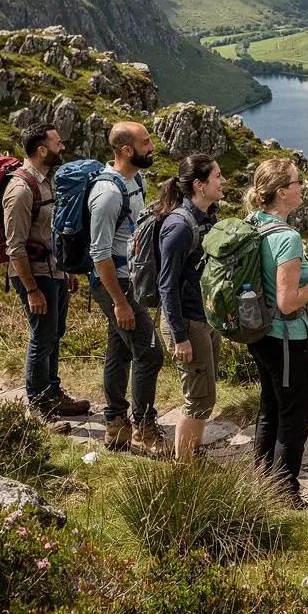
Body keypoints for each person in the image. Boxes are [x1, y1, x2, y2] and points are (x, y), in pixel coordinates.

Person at [247, 157, 308, 507]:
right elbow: (287, 301)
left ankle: (263, 483)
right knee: (295, 416)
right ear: (282, 193)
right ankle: (286, 496)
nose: (302, 187)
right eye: (297, 183)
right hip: (287, 338)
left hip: (260, 334)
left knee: (270, 407)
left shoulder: (254, 222)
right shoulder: (287, 238)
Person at [89, 121, 168, 456]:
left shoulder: (136, 180)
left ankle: (116, 425)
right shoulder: (107, 195)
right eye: (145, 142)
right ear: (125, 150)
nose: (152, 146)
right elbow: (99, 253)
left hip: (129, 279)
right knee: (150, 352)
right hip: (114, 284)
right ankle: (144, 429)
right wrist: (120, 302)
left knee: (119, 350)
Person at [3, 122, 89, 428]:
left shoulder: (47, 181)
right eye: (57, 143)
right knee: (42, 336)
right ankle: (37, 406)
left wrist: (66, 270)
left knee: (55, 333)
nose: (62, 147)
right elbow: (15, 248)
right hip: (33, 275)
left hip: (53, 271)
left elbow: (49, 232)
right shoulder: (20, 190)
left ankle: (53, 393)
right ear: (42, 150)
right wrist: (31, 290)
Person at [156, 155, 224, 462]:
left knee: (205, 393)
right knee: (198, 398)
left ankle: (191, 457)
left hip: (204, 319)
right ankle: (184, 466)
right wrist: (180, 336)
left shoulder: (207, 218)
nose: (223, 181)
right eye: (217, 177)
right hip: (187, 323)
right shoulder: (180, 226)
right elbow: (166, 285)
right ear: (199, 185)